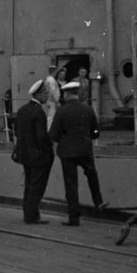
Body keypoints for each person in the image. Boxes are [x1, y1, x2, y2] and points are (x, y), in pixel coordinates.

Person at [48, 81, 105, 226]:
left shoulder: (62, 111)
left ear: (66, 94)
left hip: (67, 152)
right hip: (85, 149)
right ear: (77, 94)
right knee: (92, 175)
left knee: (71, 184)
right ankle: (98, 202)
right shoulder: (88, 109)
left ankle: (74, 217)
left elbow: (53, 134)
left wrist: (64, 137)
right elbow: (96, 132)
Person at [14, 79, 54, 224]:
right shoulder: (39, 113)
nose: (47, 97)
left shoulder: (22, 110)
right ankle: (31, 216)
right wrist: (49, 148)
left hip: (25, 155)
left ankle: (29, 213)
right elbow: (41, 137)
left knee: (29, 185)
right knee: (37, 187)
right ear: (39, 94)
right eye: (46, 94)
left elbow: (17, 132)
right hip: (39, 157)